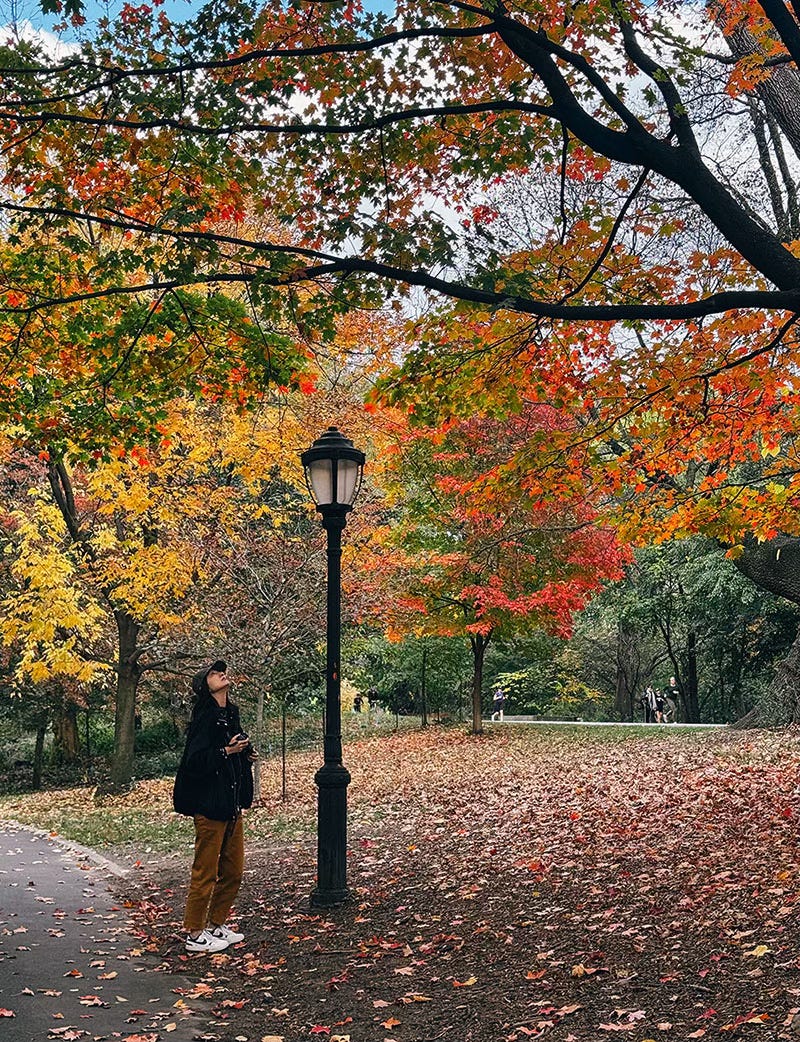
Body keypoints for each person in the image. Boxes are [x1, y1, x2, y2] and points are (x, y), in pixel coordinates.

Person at [173, 659, 256, 954]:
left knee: (234, 870)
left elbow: (229, 752)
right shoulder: (205, 717)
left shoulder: (229, 714)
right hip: (209, 806)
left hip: (231, 803)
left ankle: (216, 923)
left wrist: (243, 753)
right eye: (213, 673)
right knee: (205, 871)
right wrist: (226, 751)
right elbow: (193, 763)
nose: (222, 673)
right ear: (203, 685)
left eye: (222, 670)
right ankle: (195, 933)